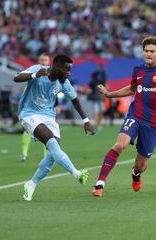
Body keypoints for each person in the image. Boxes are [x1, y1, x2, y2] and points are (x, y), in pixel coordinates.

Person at [92, 36, 156, 197]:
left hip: (153, 122)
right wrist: (109, 94)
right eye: (146, 51)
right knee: (120, 145)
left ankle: (135, 173)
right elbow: (132, 88)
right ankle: (99, 183)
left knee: (141, 165)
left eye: (152, 51)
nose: (148, 54)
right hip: (135, 116)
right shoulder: (138, 70)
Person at [14, 54, 95, 201]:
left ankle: (31, 184)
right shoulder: (39, 69)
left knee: (52, 154)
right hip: (29, 114)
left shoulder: (63, 82)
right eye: (66, 69)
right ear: (57, 66)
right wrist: (33, 75)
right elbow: (16, 77)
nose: (69, 73)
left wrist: (86, 120)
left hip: (49, 117)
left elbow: (75, 100)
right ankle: (76, 173)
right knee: (51, 143)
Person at [20, 53, 51, 162]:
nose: (43, 62)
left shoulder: (51, 76)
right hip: (31, 109)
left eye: (45, 60)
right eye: (41, 60)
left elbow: (54, 93)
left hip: (45, 110)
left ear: (49, 62)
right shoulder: (33, 73)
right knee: (27, 131)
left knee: (47, 133)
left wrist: (57, 105)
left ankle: (46, 156)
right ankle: (24, 154)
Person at [87, 65, 108, 130]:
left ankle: (99, 123)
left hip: (101, 98)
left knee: (101, 111)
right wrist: (99, 71)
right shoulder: (94, 82)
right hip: (96, 98)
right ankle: (97, 124)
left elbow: (104, 78)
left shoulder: (102, 82)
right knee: (96, 111)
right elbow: (93, 75)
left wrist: (102, 72)